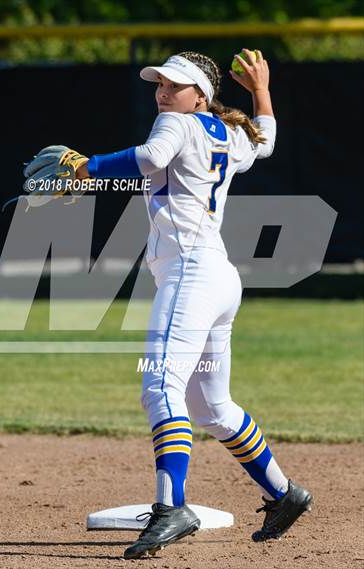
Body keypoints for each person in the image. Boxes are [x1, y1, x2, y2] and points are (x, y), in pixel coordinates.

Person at [25, 49, 312, 560]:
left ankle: (171, 506)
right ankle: (284, 492)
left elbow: (152, 159)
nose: (163, 93)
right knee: (211, 406)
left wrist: (86, 167)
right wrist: (262, 92)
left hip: (191, 276)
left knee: (161, 388)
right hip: (218, 278)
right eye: (158, 84)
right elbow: (265, 140)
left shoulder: (176, 125)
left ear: (200, 93)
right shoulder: (227, 134)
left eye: (174, 85)